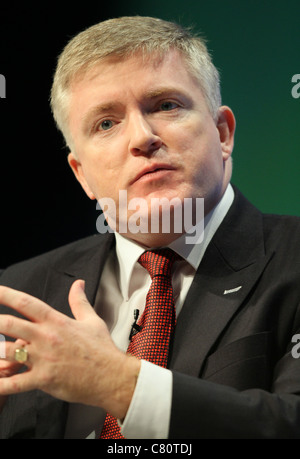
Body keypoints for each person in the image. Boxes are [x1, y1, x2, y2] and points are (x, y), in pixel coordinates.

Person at [0, 15, 300, 439]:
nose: (142, 137)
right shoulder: (18, 294)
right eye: (106, 123)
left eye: (166, 105)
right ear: (81, 174)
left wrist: (118, 384)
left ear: (223, 133)